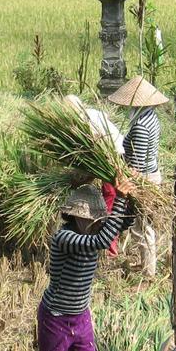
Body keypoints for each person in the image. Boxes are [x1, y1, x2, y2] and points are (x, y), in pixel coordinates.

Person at [31, 178, 136, 351]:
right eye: (88, 218)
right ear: (75, 216)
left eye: (96, 217)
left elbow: (122, 225)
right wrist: (121, 198)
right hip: (56, 319)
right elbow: (102, 240)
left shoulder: (93, 232)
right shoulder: (65, 238)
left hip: (81, 317)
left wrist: (132, 200)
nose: (93, 222)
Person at [107, 76, 169, 277]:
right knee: (144, 224)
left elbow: (138, 163)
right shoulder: (151, 117)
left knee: (142, 225)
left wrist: (127, 181)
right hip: (150, 175)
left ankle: (148, 271)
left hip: (143, 179)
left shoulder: (141, 124)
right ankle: (146, 266)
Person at [65, 93, 124, 256]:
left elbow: (96, 149)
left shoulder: (88, 120)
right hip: (108, 154)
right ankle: (104, 237)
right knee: (109, 195)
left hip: (114, 154)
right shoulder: (87, 115)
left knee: (110, 194)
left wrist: (85, 175)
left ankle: (109, 243)